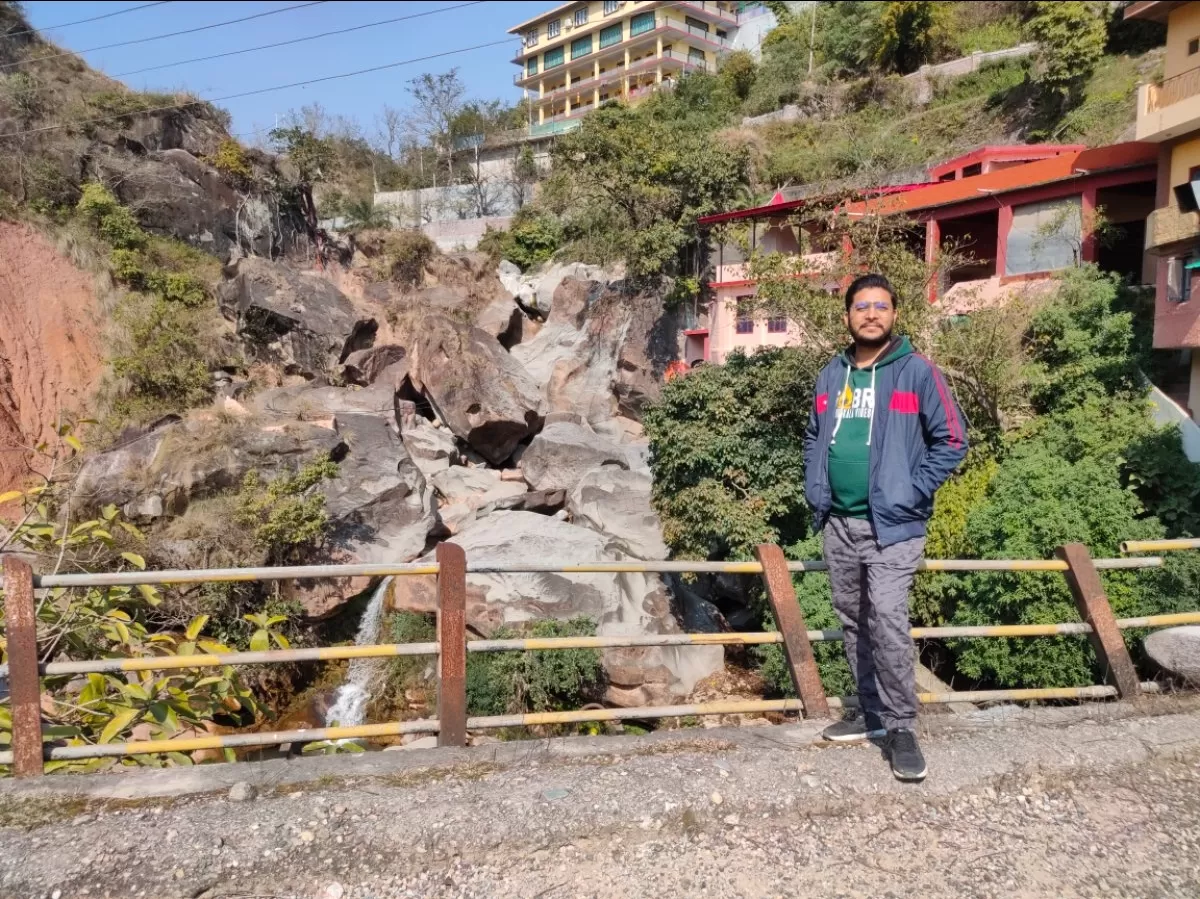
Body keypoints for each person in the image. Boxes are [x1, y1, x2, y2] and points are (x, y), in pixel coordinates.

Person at [802, 273, 968, 782]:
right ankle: (869, 711)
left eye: (880, 306)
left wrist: (910, 490)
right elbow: (814, 435)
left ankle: (901, 728)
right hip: (840, 524)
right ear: (848, 315)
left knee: (888, 620)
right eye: (860, 306)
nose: (870, 314)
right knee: (853, 620)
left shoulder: (917, 372)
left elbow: (953, 441)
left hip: (893, 526)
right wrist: (815, 486)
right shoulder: (832, 374)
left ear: (894, 314)